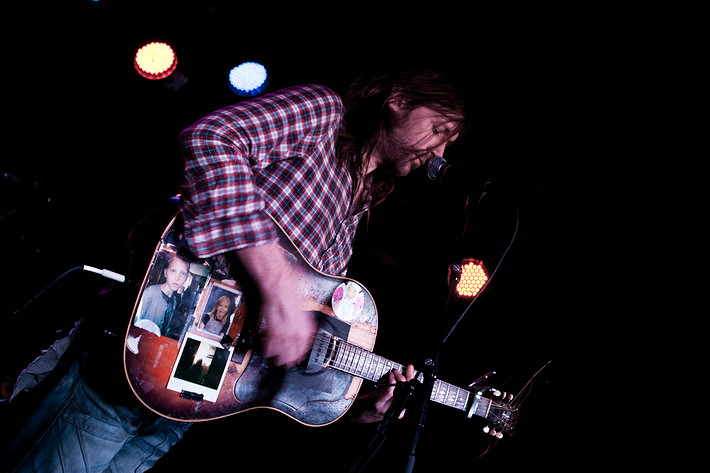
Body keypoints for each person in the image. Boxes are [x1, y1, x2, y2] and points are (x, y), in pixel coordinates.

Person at [0, 68, 466, 472]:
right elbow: (211, 138)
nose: (441, 153)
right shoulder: (324, 111)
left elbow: (281, 331)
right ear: (399, 101)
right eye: (440, 129)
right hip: (150, 346)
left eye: (450, 143)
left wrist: (358, 405)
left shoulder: (361, 201)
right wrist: (277, 283)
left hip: (193, 394)